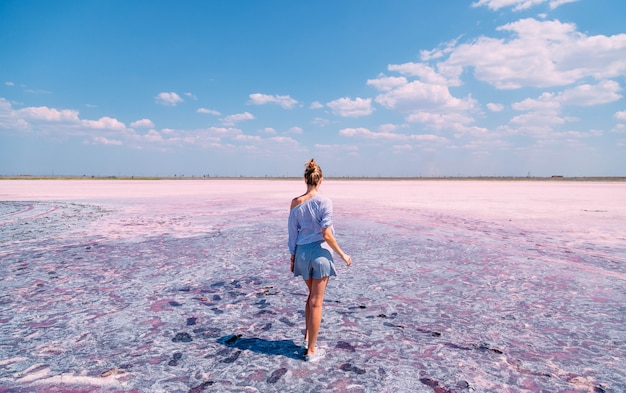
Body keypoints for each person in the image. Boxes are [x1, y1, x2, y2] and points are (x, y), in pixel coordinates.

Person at [288, 158, 352, 362]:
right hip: (320, 255)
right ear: (321, 180)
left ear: (305, 179)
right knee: (317, 302)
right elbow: (327, 234)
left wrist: (293, 257)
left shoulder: (295, 202)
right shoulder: (325, 202)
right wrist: (343, 255)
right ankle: (312, 350)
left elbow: (292, 235)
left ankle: (308, 337)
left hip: (302, 254)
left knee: (311, 297)